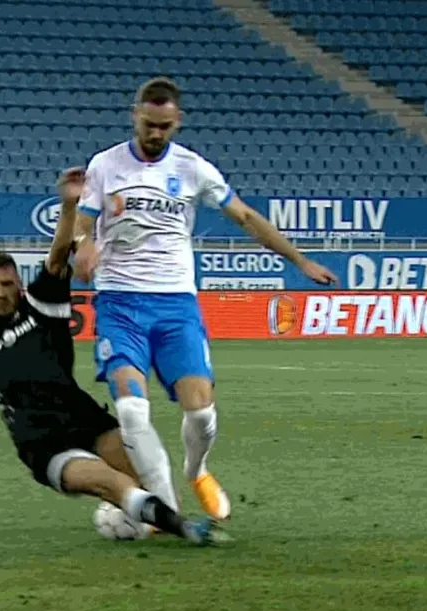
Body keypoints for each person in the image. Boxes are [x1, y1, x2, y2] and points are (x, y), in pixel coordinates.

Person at [0, 168, 227, 546]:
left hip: (86, 420)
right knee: (111, 482)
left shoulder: (41, 307)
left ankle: (156, 516)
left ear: (19, 285)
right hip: (43, 445)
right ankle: (187, 530)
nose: (1, 292)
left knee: (146, 473)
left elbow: (57, 257)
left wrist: (69, 206)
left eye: (7, 284)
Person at [72, 77, 337, 521]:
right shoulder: (105, 165)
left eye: (165, 126)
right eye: (149, 124)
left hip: (176, 305)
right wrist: (83, 245)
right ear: (135, 116)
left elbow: (245, 216)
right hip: (120, 303)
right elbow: (82, 222)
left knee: (201, 414)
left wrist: (300, 261)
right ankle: (165, 510)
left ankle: (197, 471)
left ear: (178, 121)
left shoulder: (193, 168)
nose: (156, 134)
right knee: (132, 411)